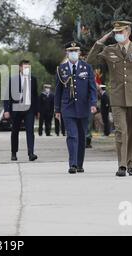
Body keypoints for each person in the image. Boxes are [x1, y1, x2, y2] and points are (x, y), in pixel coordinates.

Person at [87, 20, 132, 177]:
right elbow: (90, 61)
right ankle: (121, 165)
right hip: (117, 97)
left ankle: (131, 164)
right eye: (115, 33)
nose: (118, 35)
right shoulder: (109, 50)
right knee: (120, 131)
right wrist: (101, 40)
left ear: (128, 32)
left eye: (120, 32)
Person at [55, 42, 97, 173]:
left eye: (75, 51)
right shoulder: (61, 69)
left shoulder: (87, 68)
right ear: (67, 53)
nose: (73, 53)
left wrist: (93, 104)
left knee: (82, 136)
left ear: (79, 53)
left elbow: (92, 88)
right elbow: (58, 91)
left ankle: (79, 164)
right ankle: (72, 164)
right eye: (70, 51)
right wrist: (57, 109)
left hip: (83, 107)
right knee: (72, 136)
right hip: (68, 107)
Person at [4, 60, 39, 162]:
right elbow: (7, 96)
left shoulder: (33, 79)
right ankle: (14, 153)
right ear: (20, 68)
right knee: (15, 131)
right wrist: (6, 110)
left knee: (30, 131)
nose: (26, 69)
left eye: (28, 68)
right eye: (25, 67)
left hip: (29, 109)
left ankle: (31, 153)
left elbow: (35, 96)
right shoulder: (13, 80)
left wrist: (37, 111)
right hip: (16, 109)